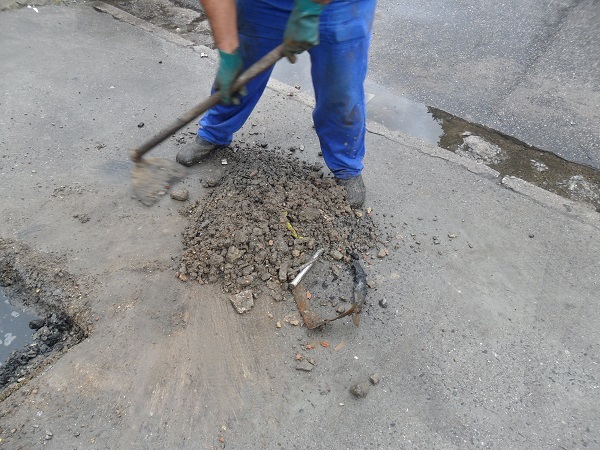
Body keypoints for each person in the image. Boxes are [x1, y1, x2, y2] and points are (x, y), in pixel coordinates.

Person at [176, 0, 376, 208]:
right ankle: (214, 132)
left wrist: (309, 10)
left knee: (340, 90)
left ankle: (346, 163)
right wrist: (228, 52)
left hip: (340, 6)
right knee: (239, 72)